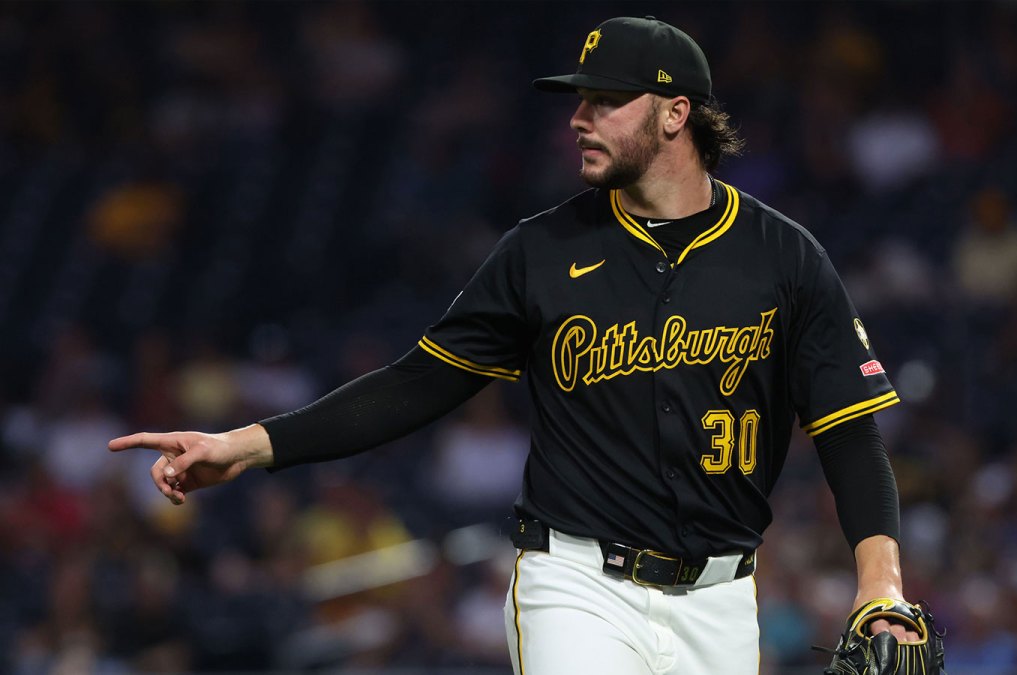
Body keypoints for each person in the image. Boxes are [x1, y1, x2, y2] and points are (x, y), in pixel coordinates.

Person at [111, 16, 924, 674]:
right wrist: (246, 445)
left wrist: (879, 583)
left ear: (676, 113)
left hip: (722, 596)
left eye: (606, 99)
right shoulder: (540, 251)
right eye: (578, 100)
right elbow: (413, 385)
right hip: (576, 583)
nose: (579, 116)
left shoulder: (784, 257)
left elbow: (849, 429)